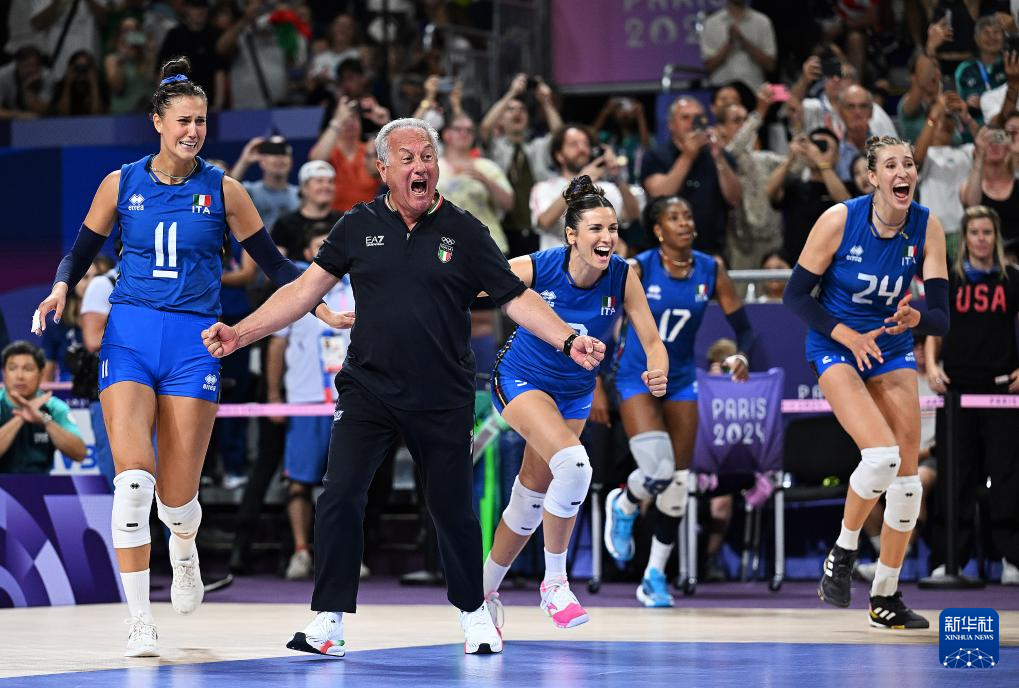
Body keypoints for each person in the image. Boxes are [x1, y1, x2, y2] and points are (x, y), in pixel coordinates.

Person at [200, 118, 607, 657]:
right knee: (340, 494)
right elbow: (302, 292)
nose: (421, 167)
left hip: (442, 392)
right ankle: (328, 621)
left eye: (428, 157)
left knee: (451, 506)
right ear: (383, 169)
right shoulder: (356, 225)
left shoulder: (465, 230)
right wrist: (242, 332)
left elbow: (514, 296)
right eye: (408, 158)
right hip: (368, 387)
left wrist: (566, 338)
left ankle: (473, 612)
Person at [30, 57, 349, 658]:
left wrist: (319, 305)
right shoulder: (121, 183)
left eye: (201, 121)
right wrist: (59, 288)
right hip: (129, 334)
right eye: (183, 120)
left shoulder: (225, 189)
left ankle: (184, 547)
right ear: (158, 122)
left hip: (195, 344)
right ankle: (138, 621)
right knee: (132, 484)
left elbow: (276, 264)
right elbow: (81, 251)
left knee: (177, 500)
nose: (193, 130)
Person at [481, 176, 667, 629]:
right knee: (575, 465)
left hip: (574, 392)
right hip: (521, 378)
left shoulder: (622, 274)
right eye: (596, 229)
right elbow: (478, 282)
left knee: (530, 497)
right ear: (571, 236)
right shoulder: (539, 266)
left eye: (612, 228)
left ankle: (479, 595)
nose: (607, 237)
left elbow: (651, 339)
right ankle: (555, 584)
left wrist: (657, 368)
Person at [783, 135, 949, 629]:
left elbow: (941, 317)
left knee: (908, 483)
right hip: (835, 342)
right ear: (872, 177)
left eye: (909, 164)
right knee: (880, 457)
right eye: (891, 165)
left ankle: (885, 597)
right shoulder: (840, 219)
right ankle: (843, 550)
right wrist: (846, 335)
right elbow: (795, 296)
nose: (903, 172)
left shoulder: (927, 225)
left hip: (889, 347)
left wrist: (916, 318)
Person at [604, 195, 753, 607]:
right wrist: (596, 381)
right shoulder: (638, 268)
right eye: (674, 217)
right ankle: (625, 502)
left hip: (681, 377)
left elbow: (745, 328)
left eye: (688, 215)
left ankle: (654, 576)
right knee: (657, 471)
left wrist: (741, 355)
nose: (685, 222)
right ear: (657, 230)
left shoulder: (711, 268)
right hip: (636, 375)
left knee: (679, 481)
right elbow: (603, 322)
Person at [925, 205, 1019, 584]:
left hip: (1001, 391)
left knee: (1008, 477)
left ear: (996, 238)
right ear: (964, 238)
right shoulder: (950, 279)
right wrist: (932, 365)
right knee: (954, 478)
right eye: (975, 233)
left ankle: (1012, 558)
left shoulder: (1012, 279)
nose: (981, 239)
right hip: (957, 392)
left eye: (987, 233)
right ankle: (950, 560)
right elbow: (935, 326)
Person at [267, 226, 355, 580]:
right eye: (321, 246)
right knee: (299, 482)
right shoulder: (296, 289)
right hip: (304, 399)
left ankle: (344, 555)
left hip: (348, 400)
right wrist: (273, 394)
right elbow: (277, 344)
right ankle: (301, 552)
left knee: (346, 484)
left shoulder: (357, 289)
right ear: (307, 254)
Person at [641, 97, 742, 256]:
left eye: (697, 117)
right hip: (666, 252)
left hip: (713, 251)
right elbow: (660, 195)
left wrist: (719, 158)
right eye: (685, 117)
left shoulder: (719, 155)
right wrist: (688, 156)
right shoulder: (655, 156)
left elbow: (735, 199)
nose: (692, 123)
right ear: (671, 125)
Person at [530, 124, 639, 252]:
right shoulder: (544, 188)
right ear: (559, 156)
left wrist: (616, 176)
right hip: (557, 262)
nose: (582, 149)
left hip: (598, 262)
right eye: (574, 144)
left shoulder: (607, 187)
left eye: (586, 144)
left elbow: (632, 215)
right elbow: (544, 222)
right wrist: (579, 183)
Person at [0, 341, 86, 473]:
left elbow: (80, 454)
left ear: (41, 374)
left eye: (28, 369)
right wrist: (21, 417)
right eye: (12, 368)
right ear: (4, 374)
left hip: (41, 484)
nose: (19, 376)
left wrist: (45, 420)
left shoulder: (54, 407)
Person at [230, 135, 300, 235]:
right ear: (262, 161)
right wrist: (244, 161)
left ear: (291, 162)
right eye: (274, 153)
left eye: (284, 153)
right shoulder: (249, 191)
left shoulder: (301, 194)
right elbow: (226, 192)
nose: (280, 158)